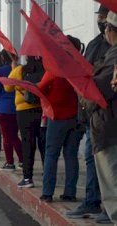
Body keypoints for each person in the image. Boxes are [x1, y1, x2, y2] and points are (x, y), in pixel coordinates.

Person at [66, 5, 111, 221]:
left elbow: (101, 81)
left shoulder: (112, 51)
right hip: (90, 114)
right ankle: (92, 201)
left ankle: (108, 208)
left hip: (105, 114)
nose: (101, 21)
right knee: (93, 160)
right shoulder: (95, 43)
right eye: (99, 17)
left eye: (105, 18)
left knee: (108, 164)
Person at [80, 11, 117, 225]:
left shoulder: (114, 55)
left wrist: (84, 97)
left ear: (111, 30)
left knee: (111, 184)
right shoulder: (110, 53)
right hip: (106, 126)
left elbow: (97, 90)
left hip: (109, 127)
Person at [38, 35, 84, 203]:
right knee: (71, 155)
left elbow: (41, 88)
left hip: (57, 116)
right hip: (77, 118)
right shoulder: (81, 67)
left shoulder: (55, 68)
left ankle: (47, 192)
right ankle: (70, 192)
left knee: (52, 155)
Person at [4, 53, 45, 188]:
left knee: (28, 144)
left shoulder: (19, 70)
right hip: (42, 110)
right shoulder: (45, 69)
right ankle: (48, 174)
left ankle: (28, 178)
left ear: (27, 58)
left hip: (23, 111)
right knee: (43, 144)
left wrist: (13, 69)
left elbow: (7, 87)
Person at [0, 50, 23, 171]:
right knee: (14, 135)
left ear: (2, 58)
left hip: (3, 107)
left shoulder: (0, 72)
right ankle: (22, 160)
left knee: (7, 136)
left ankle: (10, 162)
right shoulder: (19, 70)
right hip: (17, 106)